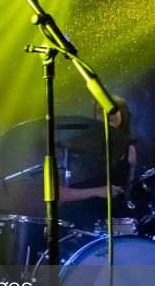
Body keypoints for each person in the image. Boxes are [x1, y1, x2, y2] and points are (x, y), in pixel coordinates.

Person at [58, 95, 138, 233]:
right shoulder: (77, 147)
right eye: (100, 110)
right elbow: (60, 194)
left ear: (123, 114)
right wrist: (98, 191)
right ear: (94, 117)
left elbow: (127, 190)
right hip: (80, 221)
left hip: (115, 220)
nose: (107, 113)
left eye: (112, 109)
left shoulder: (130, 151)